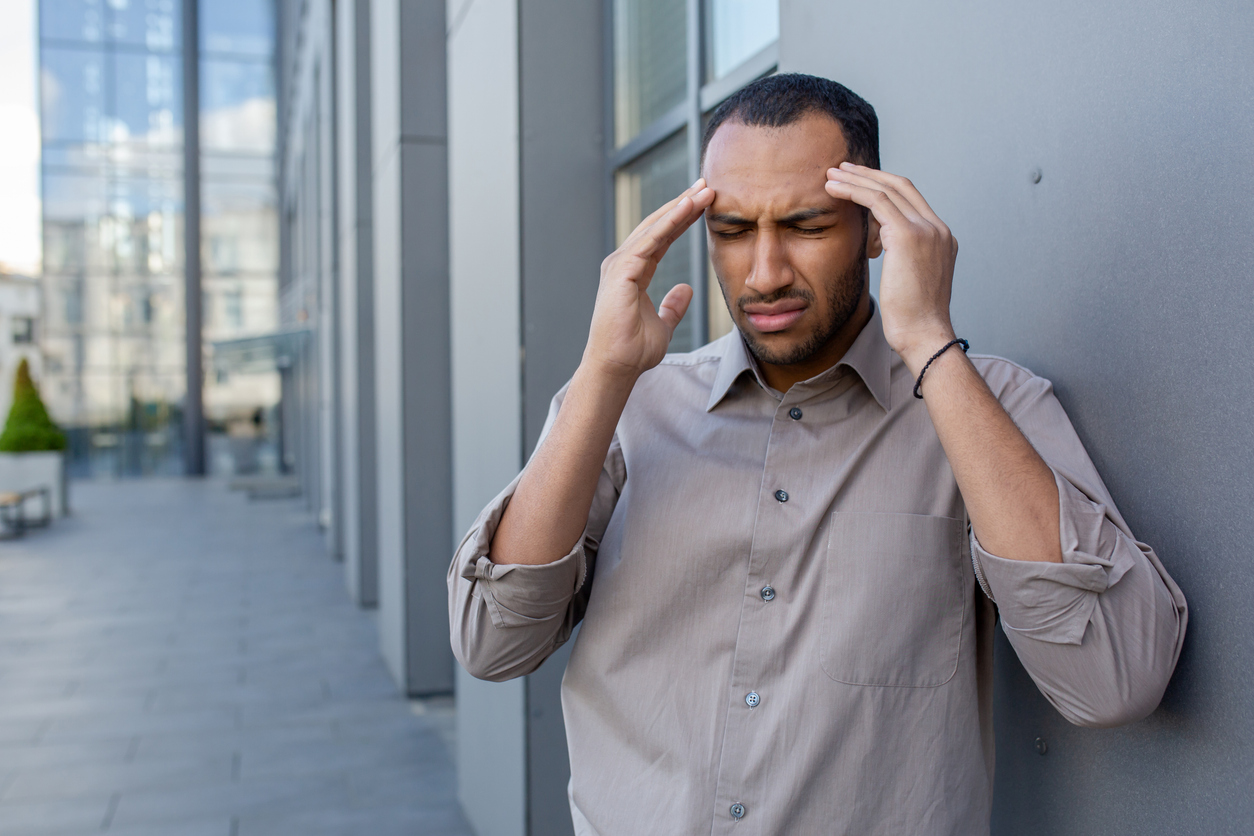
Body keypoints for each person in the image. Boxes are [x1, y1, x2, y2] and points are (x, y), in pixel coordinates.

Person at [447, 74, 1187, 835]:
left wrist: (931, 343)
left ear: (877, 228)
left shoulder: (989, 408)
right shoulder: (628, 405)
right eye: (732, 231)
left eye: (805, 225)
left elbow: (1114, 681)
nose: (763, 274)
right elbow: (492, 642)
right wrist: (603, 374)